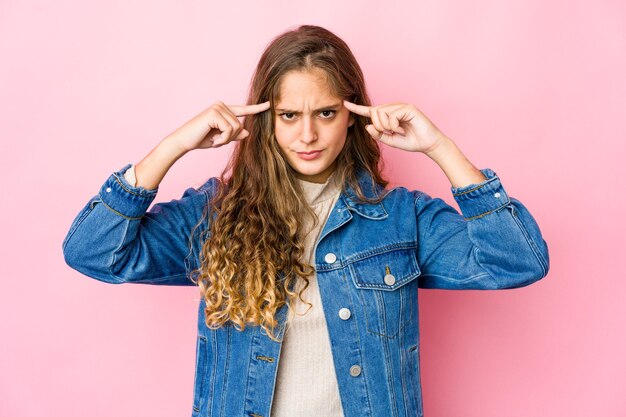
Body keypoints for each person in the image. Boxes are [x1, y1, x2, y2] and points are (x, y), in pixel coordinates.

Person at [62, 24, 549, 417]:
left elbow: (518, 261)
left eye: (326, 113)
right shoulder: (215, 216)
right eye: (289, 115)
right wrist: (174, 145)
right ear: (265, 120)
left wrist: (440, 147)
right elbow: (94, 251)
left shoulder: (400, 219)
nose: (308, 134)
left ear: (353, 114)